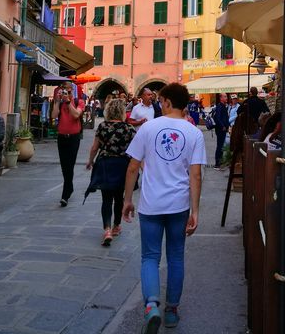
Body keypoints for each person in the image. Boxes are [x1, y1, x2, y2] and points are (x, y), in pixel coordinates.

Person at [122, 83, 206, 332]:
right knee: (176, 256)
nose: (159, 103)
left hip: (150, 204)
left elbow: (133, 167)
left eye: (160, 100)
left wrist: (127, 200)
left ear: (167, 101)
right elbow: (196, 175)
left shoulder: (148, 128)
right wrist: (195, 210)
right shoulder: (194, 133)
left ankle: (151, 306)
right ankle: (171, 310)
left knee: (149, 256)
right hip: (178, 205)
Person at [85, 98, 135, 247]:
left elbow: (94, 147)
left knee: (106, 198)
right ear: (122, 112)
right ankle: (116, 226)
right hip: (122, 165)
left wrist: (90, 161)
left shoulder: (102, 126)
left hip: (105, 163)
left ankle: (106, 229)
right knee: (119, 197)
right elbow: (136, 152)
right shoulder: (129, 128)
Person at [52, 81, 85, 207]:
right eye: (65, 90)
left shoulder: (79, 102)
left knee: (69, 165)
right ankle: (69, 187)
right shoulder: (59, 103)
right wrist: (56, 101)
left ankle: (65, 194)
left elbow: (76, 115)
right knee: (64, 165)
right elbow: (54, 115)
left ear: (72, 91)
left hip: (74, 138)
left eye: (69, 91)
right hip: (61, 137)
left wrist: (68, 102)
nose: (67, 93)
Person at [212, 93, 230, 169]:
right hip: (220, 129)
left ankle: (221, 162)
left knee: (221, 146)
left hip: (223, 129)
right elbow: (217, 118)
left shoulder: (223, 106)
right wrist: (222, 126)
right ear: (221, 98)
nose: (226, 98)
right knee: (220, 146)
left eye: (226, 96)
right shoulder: (220, 106)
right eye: (225, 97)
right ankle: (217, 164)